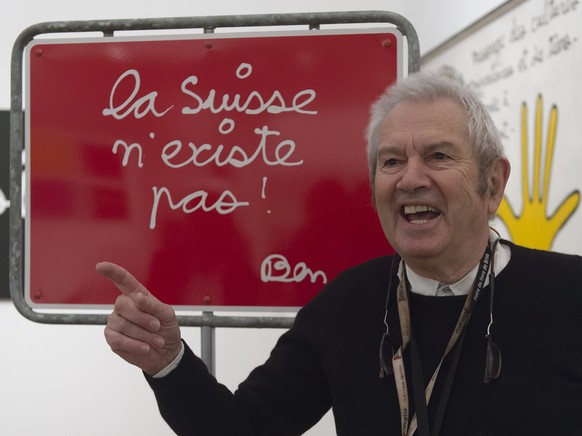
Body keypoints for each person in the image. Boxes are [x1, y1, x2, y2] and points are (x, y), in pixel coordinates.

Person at [97, 72, 582, 435]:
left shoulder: (569, 295)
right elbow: (241, 428)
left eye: (438, 155)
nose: (411, 178)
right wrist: (169, 361)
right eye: (391, 161)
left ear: (492, 182)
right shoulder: (343, 307)